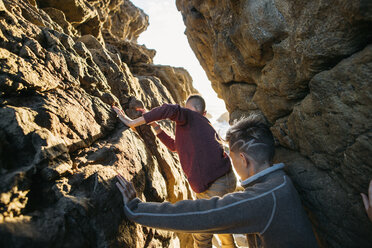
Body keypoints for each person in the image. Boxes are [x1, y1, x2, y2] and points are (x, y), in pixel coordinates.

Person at [115, 115, 319, 248]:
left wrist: (135, 209)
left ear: (243, 159)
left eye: (229, 155)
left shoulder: (265, 197)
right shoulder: (280, 180)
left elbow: (202, 215)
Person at [113, 95, 237, 248]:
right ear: (204, 113)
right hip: (225, 180)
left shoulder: (190, 117)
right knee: (220, 221)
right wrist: (154, 125)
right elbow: (174, 146)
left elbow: (168, 109)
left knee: (201, 233)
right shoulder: (203, 127)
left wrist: (132, 122)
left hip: (214, 185)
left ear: (190, 110)